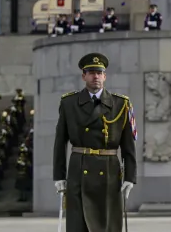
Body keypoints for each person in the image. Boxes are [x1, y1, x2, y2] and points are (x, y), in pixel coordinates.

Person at [53, 53, 138, 232]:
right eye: (91, 72)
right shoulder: (69, 103)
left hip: (108, 171)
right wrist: (59, 175)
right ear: (84, 76)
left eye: (99, 73)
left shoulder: (120, 104)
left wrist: (130, 176)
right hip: (79, 170)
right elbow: (60, 142)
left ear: (105, 76)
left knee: (107, 224)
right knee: (79, 225)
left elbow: (128, 145)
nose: (96, 76)